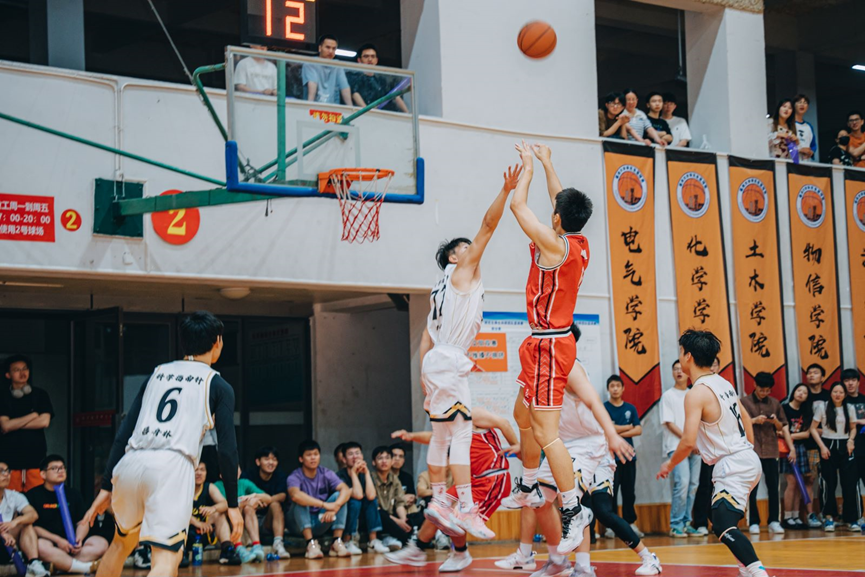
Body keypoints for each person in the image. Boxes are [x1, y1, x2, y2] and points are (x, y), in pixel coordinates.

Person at [82, 310, 242, 577]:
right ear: (217, 342)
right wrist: (233, 506)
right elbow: (227, 450)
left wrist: (107, 485)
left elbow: (124, 431)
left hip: (131, 462)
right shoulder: (218, 385)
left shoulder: (157, 374)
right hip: (171, 467)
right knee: (167, 560)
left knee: (120, 545)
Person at [420, 164, 522, 540]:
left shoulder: (439, 288)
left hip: (436, 360)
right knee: (461, 434)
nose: (471, 249)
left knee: (442, 434)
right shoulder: (462, 272)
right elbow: (488, 225)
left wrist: (423, 379)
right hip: (448, 357)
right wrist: (506, 190)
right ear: (454, 258)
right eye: (464, 248)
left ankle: (438, 500)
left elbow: (425, 338)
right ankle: (464, 507)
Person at [507, 142, 594, 555]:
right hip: (542, 342)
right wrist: (547, 162)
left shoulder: (553, 245)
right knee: (521, 415)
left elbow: (518, 207)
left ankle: (574, 509)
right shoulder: (577, 241)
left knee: (546, 434)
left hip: (549, 345)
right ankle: (527, 484)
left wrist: (526, 167)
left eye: (554, 211)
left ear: (557, 219)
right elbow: (559, 198)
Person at [503, 325, 642, 577]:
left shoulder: (570, 368)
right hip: (560, 443)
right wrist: (525, 446)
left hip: (587, 442)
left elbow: (594, 402)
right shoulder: (540, 372)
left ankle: (584, 566)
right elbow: (529, 419)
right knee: (539, 501)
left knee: (571, 503)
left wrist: (612, 435)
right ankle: (557, 561)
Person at [657, 330, 771, 577]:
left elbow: (687, 441)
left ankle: (757, 571)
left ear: (688, 356)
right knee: (716, 515)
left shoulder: (696, 393)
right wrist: (747, 452)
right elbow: (746, 420)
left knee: (722, 525)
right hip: (745, 458)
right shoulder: (723, 383)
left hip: (732, 463)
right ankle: (745, 568)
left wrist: (669, 464)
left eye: (681, 353)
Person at [386, 406, 517, 573]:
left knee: (458, 516)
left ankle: (460, 553)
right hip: (470, 480)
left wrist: (517, 447)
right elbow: (434, 438)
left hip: (492, 478)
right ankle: (417, 549)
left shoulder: (471, 414)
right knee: (438, 508)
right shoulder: (447, 424)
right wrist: (411, 436)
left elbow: (503, 423)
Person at [27, 456, 108, 574]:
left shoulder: (73, 493)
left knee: (101, 544)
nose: (60, 471)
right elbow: (32, 528)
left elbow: (82, 521)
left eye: (62, 468)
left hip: (72, 545)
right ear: (43, 474)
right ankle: (80, 567)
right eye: (54, 468)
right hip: (50, 542)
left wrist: (78, 539)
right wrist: (58, 540)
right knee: (39, 546)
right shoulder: (33, 495)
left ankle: (60, 565)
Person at [740, 372, 796, 534]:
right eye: (761, 390)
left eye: (767, 390)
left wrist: (774, 421)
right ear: (754, 386)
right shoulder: (744, 402)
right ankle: (753, 522)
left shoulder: (775, 403)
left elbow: (782, 426)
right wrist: (754, 420)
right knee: (752, 487)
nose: (764, 393)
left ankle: (774, 521)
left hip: (771, 449)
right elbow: (738, 424)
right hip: (752, 449)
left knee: (773, 487)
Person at [287, 440, 351, 559]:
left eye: (316, 454)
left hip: (319, 520)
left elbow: (346, 490)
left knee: (339, 495)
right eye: (309, 455)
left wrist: (335, 507)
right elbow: (295, 495)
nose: (313, 458)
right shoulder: (295, 476)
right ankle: (310, 544)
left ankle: (336, 542)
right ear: (301, 459)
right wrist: (325, 505)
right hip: (297, 524)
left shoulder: (325, 473)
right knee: (301, 499)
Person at [809, 382, 860, 531]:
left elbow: (853, 428)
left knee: (850, 482)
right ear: (830, 393)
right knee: (828, 483)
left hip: (845, 445)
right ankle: (829, 517)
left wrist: (851, 440)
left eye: (841, 392)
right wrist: (822, 447)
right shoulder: (822, 407)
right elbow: (813, 428)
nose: (838, 395)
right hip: (828, 445)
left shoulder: (849, 408)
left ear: (845, 394)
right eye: (835, 391)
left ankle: (852, 519)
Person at [0, 355, 54, 493]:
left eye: (25, 369)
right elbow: (5, 426)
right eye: (17, 370)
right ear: (8, 375)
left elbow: (44, 421)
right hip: (9, 460)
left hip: (36, 458)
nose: (22, 373)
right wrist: (33, 415)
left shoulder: (40, 395)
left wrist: (14, 424)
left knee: (36, 497)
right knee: (9, 499)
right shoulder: (3, 397)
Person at [660, 360, 701, 537]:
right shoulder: (668, 396)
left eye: (681, 369)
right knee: (682, 484)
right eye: (675, 369)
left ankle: (686, 522)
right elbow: (669, 423)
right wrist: (688, 440)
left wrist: (695, 442)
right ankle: (675, 524)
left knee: (693, 485)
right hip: (676, 446)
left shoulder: (694, 394)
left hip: (696, 446)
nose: (679, 372)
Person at [603, 374, 643, 538]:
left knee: (629, 492)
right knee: (611, 493)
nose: (615, 389)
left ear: (623, 388)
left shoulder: (630, 408)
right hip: (611, 458)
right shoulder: (603, 408)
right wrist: (627, 427)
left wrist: (615, 430)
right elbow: (604, 430)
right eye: (612, 386)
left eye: (618, 386)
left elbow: (638, 430)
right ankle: (611, 527)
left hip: (628, 457)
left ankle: (630, 523)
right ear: (608, 389)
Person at [337, 442, 388, 555]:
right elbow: (358, 495)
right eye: (351, 454)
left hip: (363, 516)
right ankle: (347, 541)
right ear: (344, 459)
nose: (355, 457)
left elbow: (371, 495)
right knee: (355, 502)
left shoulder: (364, 474)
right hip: (345, 516)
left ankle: (373, 541)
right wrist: (353, 473)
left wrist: (367, 473)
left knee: (371, 501)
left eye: (357, 453)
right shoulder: (339, 476)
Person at [690, 356, 721, 536]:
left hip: (722, 448)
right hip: (705, 447)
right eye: (710, 365)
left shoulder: (724, 389)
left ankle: (719, 522)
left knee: (720, 486)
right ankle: (700, 521)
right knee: (703, 485)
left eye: (715, 365)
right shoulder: (697, 390)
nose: (712, 368)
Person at [215, 466, 271, 563]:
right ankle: (238, 547)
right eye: (230, 468)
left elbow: (268, 499)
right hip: (226, 527)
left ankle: (257, 545)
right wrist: (244, 502)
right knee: (236, 508)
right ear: (221, 475)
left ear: (240, 471)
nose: (234, 471)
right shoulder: (217, 486)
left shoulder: (244, 483)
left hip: (244, 525)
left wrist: (253, 496)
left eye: (236, 468)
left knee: (249, 508)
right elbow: (223, 506)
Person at [0, 460, 47, 576]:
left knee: (26, 523)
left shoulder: (14, 495)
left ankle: (34, 563)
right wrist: (2, 533)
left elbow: (33, 514)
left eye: (7, 471)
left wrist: (15, 522)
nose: (6, 475)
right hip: (4, 536)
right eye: (1, 471)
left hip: (8, 541)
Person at [242, 446, 290, 559]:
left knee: (276, 505)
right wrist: (257, 502)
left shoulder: (279, 476)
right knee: (247, 508)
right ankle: (250, 545)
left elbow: (282, 496)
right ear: (258, 462)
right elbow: (242, 497)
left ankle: (278, 544)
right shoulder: (248, 475)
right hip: (249, 517)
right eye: (267, 459)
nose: (271, 463)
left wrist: (263, 500)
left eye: (274, 459)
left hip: (267, 521)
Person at [182, 461, 231, 568]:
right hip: (185, 534)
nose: (199, 473)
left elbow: (225, 504)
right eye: (196, 470)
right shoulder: (182, 488)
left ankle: (226, 550)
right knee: (178, 517)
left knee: (219, 514)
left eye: (202, 470)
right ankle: (181, 552)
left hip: (204, 532)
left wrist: (214, 508)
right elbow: (176, 510)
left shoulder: (209, 487)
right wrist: (197, 522)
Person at [780, 383, 816, 529]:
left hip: (800, 448)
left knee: (800, 482)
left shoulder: (806, 411)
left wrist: (789, 435)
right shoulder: (784, 408)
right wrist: (789, 438)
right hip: (786, 448)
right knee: (792, 482)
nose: (801, 393)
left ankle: (796, 516)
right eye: (799, 390)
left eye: (805, 392)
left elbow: (806, 434)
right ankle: (787, 517)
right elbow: (779, 431)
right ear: (793, 392)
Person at [802, 362, 829, 526]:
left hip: (828, 444)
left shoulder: (829, 395)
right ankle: (810, 514)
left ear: (823, 377)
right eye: (809, 372)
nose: (811, 375)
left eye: (816, 372)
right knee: (810, 479)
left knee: (826, 480)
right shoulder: (803, 395)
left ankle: (826, 513)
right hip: (809, 444)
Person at [348, 43, 409, 113]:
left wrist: (408, 114)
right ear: (359, 60)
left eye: (373, 56)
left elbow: (394, 96)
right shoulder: (354, 77)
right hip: (361, 115)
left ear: (376, 60)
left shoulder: (382, 81)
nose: (370, 59)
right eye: (366, 56)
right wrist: (368, 112)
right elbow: (355, 94)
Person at [371, 447, 412, 548]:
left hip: (391, 515)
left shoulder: (394, 479)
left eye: (387, 458)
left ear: (391, 461)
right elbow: (376, 508)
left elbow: (399, 503)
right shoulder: (370, 478)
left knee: (414, 517)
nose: (384, 461)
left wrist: (403, 520)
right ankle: (403, 539)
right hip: (377, 515)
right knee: (381, 514)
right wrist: (398, 522)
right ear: (373, 462)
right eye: (380, 458)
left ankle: (396, 537)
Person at [843, 369, 865, 529]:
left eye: (853, 380)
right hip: (848, 448)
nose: (850, 383)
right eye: (846, 380)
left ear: (858, 382)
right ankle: (853, 518)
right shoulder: (840, 401)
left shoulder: (864, 399)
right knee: (850, 485)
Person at [302, 34, 351, 105]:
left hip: (332, 109)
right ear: (320, 48)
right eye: (328, 47)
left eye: (333, 49)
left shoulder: (338, 65)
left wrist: (351, 108)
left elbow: (344, 87)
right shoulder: (310, 63)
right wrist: (309, 106)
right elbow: (312, 84)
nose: (331, 51)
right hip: (314, 107)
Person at [389, 444, 421, 528]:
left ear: (403, 460)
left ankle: (413, 529)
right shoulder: (384, 476)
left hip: (405, 507)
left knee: (413, 507)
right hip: (389, 508)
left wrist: (412, 498)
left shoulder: (407, 477)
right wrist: (402, 498)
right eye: (394, 455)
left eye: (400, 456)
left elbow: (412, 495)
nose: (397, 459)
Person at [793, 95, 817, 162]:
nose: (802, 105)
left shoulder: (809, 126)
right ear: (794, 105)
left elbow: (813, 145)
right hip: (791, 162)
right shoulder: (789, 124)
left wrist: (811, 152)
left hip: (806, 162)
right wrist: (800, 149)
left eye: (805, 103)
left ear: (807, 107)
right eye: (799, 102)